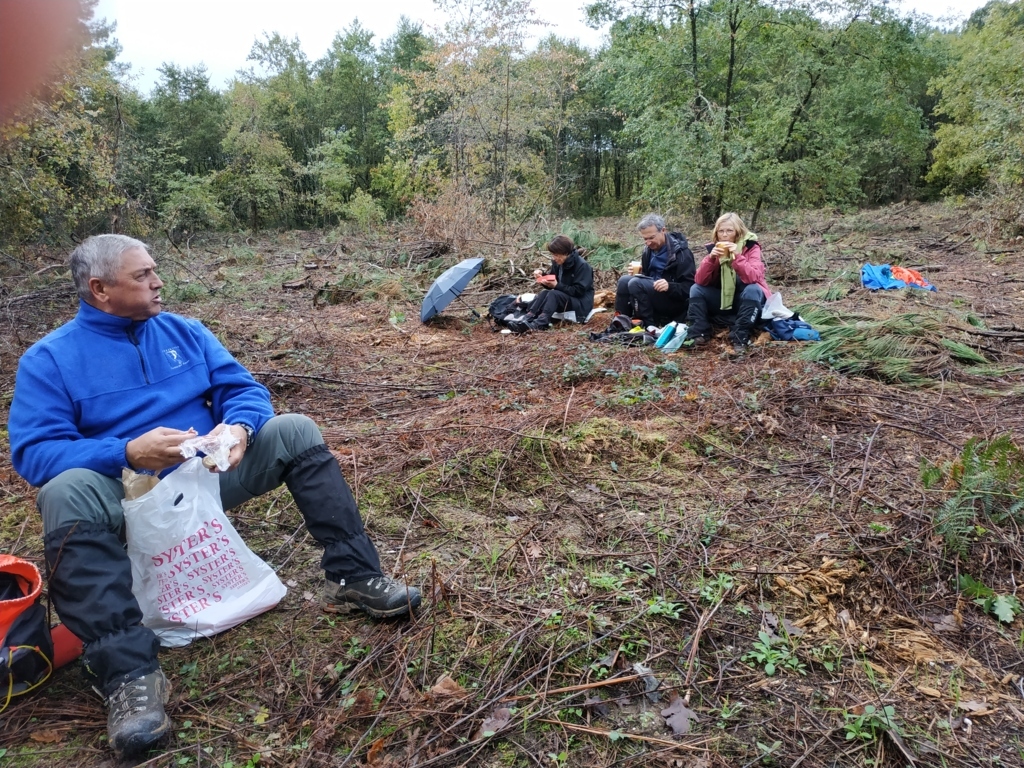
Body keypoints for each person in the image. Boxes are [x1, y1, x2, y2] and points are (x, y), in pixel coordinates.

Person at [7, 235, 421, 759]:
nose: (158, 282)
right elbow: (35, 453)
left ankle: (356, 577)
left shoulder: (185, 332)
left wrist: (242, 429)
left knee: (293, 429)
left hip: (205, 478)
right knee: (65, 491)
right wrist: (127, 451)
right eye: (142, 275)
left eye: (155, 271)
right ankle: (130, 677)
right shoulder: (50, 360)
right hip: (123, 493)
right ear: (100, 289)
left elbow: (244, 390)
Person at [680, 212, 772, 354]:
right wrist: (710, 259)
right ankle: (699, 334)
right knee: (696, 289)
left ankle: (740, 336)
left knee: (753, 289)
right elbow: (700, 280)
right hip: (723, 300)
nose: (724, 235)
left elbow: (754, 277)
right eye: (721, 231)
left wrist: (737, 256)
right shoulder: (714, 249)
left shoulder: (751, 247)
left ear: (738, 232)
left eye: (729, 231)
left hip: (748, 299)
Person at [606, 214, 696, 332]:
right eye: (645, 239)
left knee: (635, 283)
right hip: (654, 294)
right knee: (624, 280)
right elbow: (649, 277)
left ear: (663, 230)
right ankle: (621, 321)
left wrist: (669, 286)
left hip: (673, 301)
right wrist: (640, 273)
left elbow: (690, 288)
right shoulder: (648, 251)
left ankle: (649, 325)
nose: (648, 242)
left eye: (651, 238)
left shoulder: (681, 253)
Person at [509, 235, 593, 332]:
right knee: (545, 293)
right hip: (565, 298)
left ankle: (540, 323)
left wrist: (556, 285)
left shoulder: (582, 266)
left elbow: (579, 291)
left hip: (581, 304)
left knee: (554, 294)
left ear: (565, 253)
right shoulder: (558, 263)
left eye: (556, 255)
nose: (554, 258)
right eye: (553, 255)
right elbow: (553, 281)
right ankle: (528, 317)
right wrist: (543, 277)